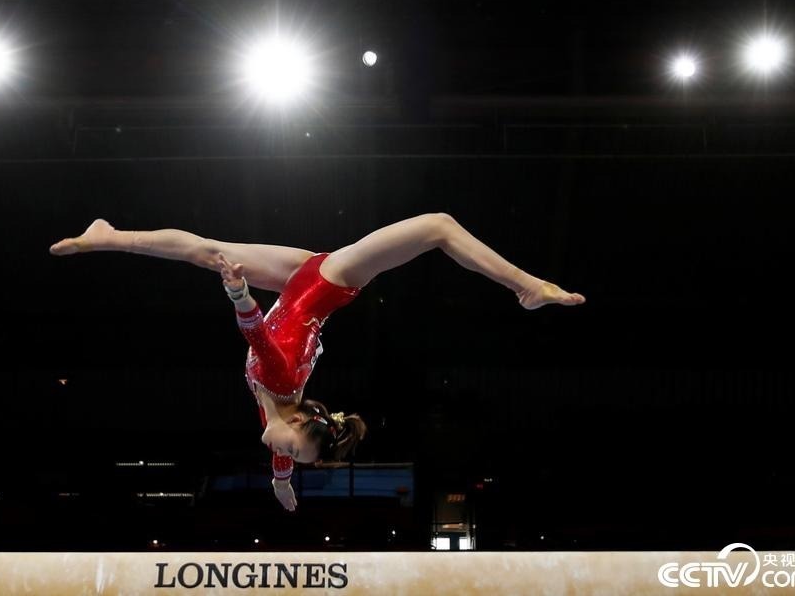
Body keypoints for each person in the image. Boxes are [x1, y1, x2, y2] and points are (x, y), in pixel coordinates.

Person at [50, 213, 585, 511]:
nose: (279, 451)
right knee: (439, 227)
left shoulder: (275, 417)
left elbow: (282, 450)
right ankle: (527, 286)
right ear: (302, 418)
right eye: (290, 448)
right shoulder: (280, 383)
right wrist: (238, 294)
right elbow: (257, 337)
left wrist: (282, 485)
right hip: (330, 282)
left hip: (297, 281)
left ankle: (108, 237)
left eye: (288, 455)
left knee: (205, 250)